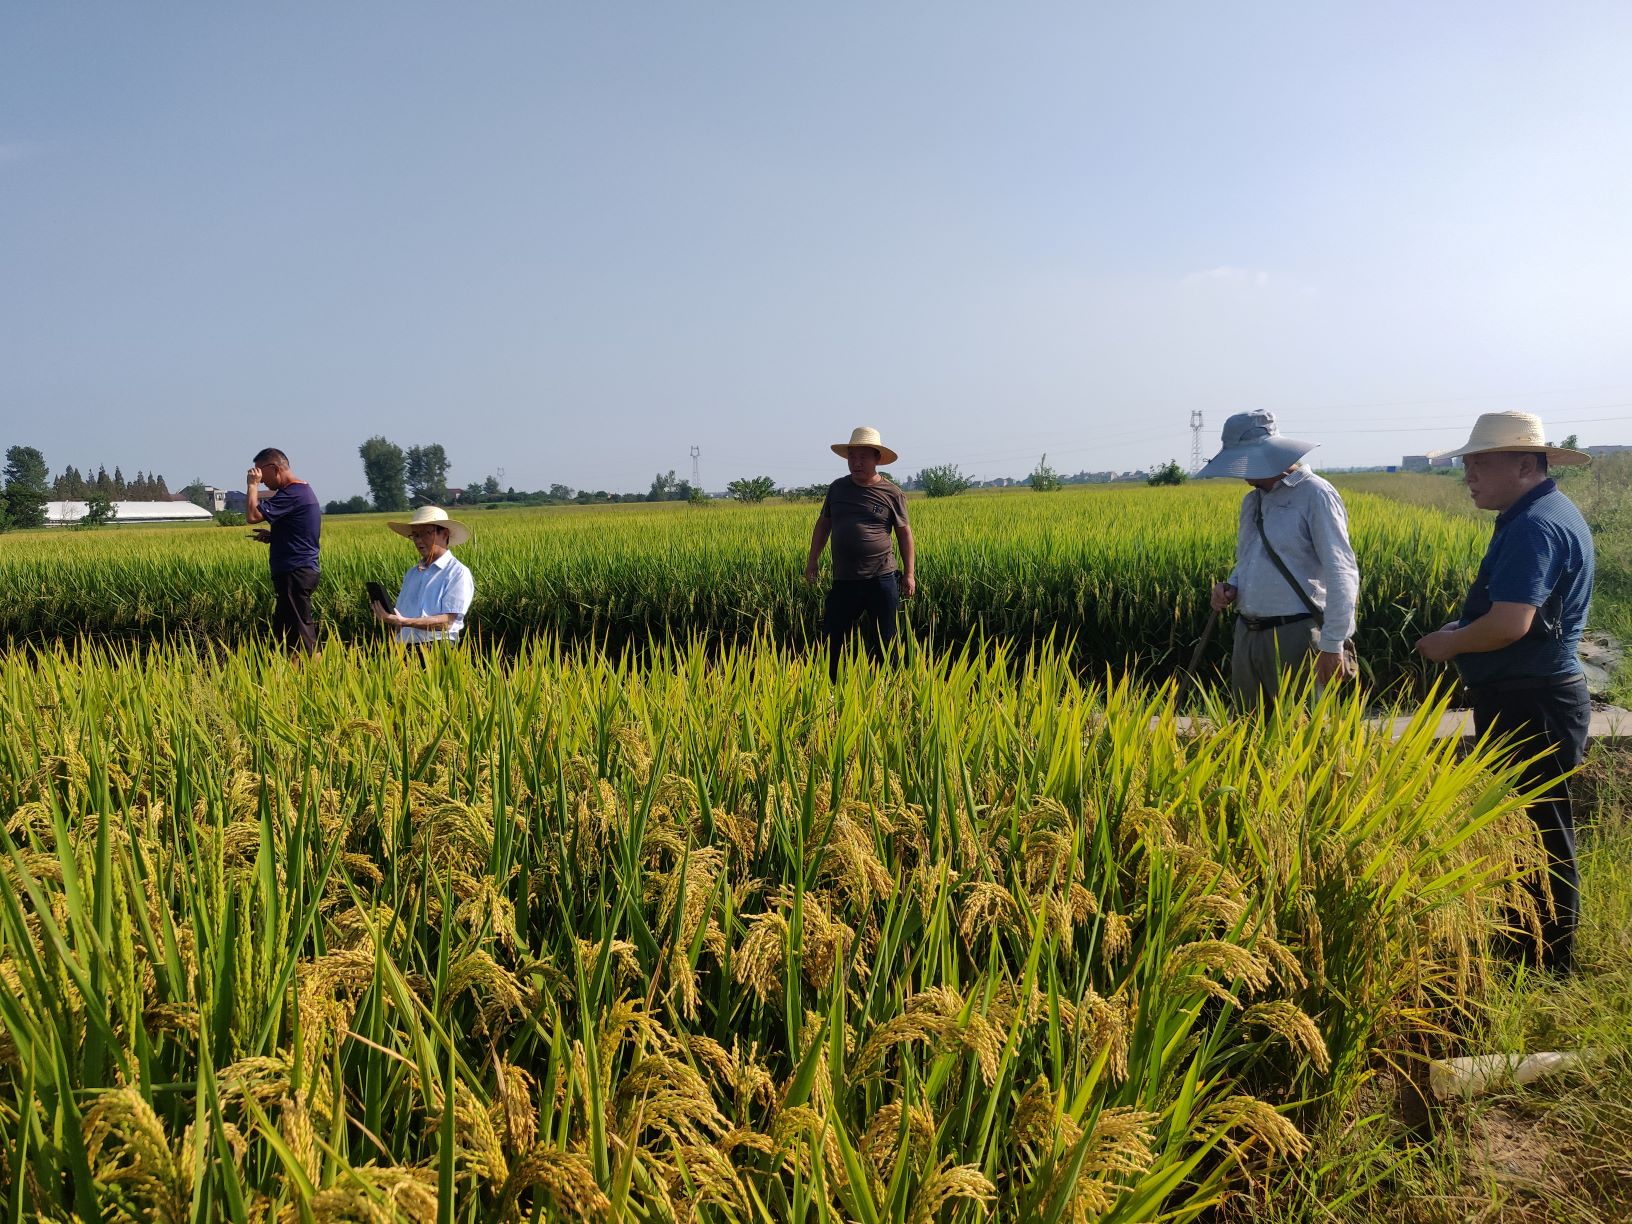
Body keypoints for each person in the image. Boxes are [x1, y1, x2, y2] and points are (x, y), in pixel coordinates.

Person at [1414, 412, 1594, 974]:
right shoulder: (1537, 514)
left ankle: (1546, 965)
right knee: (1527, 825)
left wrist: (1451, 645)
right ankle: (1528, 948)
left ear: (1525, 464)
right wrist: (1462, 633)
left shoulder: (1534, 525)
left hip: (1532, 700)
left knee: (1541, 829)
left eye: (1480, 462)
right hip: (1531, 693)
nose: (1469, 473)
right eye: (1467, 462)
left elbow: (1511, 623)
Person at [1197, 410, 1360, 709]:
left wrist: (1333, 643)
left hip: (1295, 635)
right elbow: (1248, 558)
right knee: (1247, 731)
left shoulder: (1315, 494)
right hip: (1248, 633)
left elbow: (1342, 571)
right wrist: (1231, 585)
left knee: (1299, 735)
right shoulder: (1253, 500)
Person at [804, 427, 916, 681]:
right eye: (852, 457)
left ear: (877, 458)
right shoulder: (837, 489)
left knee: (886, 640)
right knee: (832, 638)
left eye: (863, 457)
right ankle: (830, 688)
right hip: (844, 580)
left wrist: (909, 574)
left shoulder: (892, 493)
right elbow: (823, 524)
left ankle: (890, 691)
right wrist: (813, 560)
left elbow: (904, 534)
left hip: (882, 578)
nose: (856, 463)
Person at [246, 447, 321, 654]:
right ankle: (293, 680)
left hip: (295, 572)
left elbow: (252, 515)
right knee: (288, 635)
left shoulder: (293, 493)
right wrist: (274, 536)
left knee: (301, 635)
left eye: (261, 472)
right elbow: (301, 533)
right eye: (256, 475)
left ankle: (317, 678)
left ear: (275, 468)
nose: (261, 480)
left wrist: (251, 486)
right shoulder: (299, 492)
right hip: (296, 571)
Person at [374, 505, 476, 645]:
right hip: (403, 650)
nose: (418, 540)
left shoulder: (457, 572)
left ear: (444, 534)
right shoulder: (412, 574)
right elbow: (400, 618)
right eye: (415, 535)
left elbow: (447, 622)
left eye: (426, 533)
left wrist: (404, 622)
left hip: (438, 648)